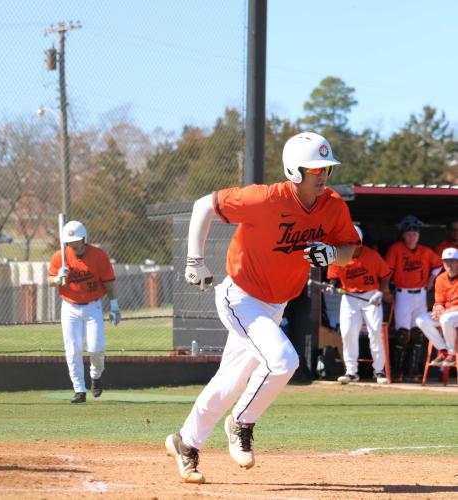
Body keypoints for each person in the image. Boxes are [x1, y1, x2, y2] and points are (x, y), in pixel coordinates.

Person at [165, 131, 360, 483]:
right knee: (284, 360)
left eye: (325, 170)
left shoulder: (333, 206)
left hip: (275, 304)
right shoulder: (265, 198)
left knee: (230, 382)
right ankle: (241, 421)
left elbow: (349, 250)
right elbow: (203, 206)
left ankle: (185, 442)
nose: (322, 176)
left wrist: (333, 254)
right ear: (294, 171)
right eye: (314, 170)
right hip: (239, 296)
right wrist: (195, 260)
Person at [48, 220, 121, 404]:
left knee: (96, 349)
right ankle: (79, 390)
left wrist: (114, 305)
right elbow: (49, 279)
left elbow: (109, 282)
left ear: (84, 239)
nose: (73, 245)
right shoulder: (60, 256)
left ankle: (96, 376)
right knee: (73, 350)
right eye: (69, 242)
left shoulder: (98, 256)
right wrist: (58, 278)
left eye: (76, 241)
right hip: (69, 307)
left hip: (92, 306)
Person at [327, 225, 392, 384]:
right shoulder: (339, 255)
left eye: (354, 243)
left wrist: (381, 292)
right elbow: (334, 277)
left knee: (375, 332)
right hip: (349, 296)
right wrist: (332, 286)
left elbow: (385, 274)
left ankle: (379, 371)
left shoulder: (372, 255)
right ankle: (351, 372)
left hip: (371, 296)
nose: (351, 246)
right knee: (348, 332)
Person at [385, 215, 442, 382]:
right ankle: (397, 371)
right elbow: (387, 270)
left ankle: (413, 371)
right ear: (403, 235)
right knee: (403, 334)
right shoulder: (396, 249)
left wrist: (432, 278)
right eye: (409, 233)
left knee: (418, 333)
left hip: (421, 293)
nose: (412, 236)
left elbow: (439, 264)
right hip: (403, 294)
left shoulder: (425, 251)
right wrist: (385, 289)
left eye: (415, 233)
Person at [416, 248, 458, 367]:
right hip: (448, 314)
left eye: (452, 261)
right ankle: (443, 350)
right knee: (421, 319)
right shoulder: (440, 278)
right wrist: (438, 308)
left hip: (453, 314)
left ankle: (452, 353)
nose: (448, 264)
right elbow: (439, 301)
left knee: (445, 319)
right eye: (446, 261)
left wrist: (448, 311)